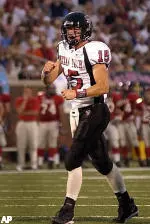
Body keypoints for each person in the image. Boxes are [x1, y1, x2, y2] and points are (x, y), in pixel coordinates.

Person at [41, 12, 138, 224]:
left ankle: (67, 211)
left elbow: (103, 86)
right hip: (77, 112)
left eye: (76, 29)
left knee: (72, 158)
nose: (72, 33)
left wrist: (77, 93)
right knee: (103, 163)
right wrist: (44, 73)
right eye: (69, 30)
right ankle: (126, 204)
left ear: (85, 30)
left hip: (95, 110)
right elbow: (49, 80)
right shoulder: (63, 48)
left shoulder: (95, 50)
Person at [37, 84, 65, 169]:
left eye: (54, 88)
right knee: (41, 143)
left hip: (54, 122)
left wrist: (61, 124)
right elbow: (37, 110)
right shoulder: (40, 97)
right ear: (46, 89)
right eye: (51, 88)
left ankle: (51, 160)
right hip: (42, 122)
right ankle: (40, 162)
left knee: (53, 142)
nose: (53, 90)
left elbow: (61, 112)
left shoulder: (58, 98)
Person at [15, 87, 40, 171]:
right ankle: (21, 164)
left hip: (32, 123)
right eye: (25, 92)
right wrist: (25, 101)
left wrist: (24, 113)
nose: (27, 94)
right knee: (21, 145)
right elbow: (19, 111)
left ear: (31, 93)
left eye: (28, 92)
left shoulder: (35, 100)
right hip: (22, 123)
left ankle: (34, 164)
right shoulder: (19, 100)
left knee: (33, 145)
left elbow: (35, 112)